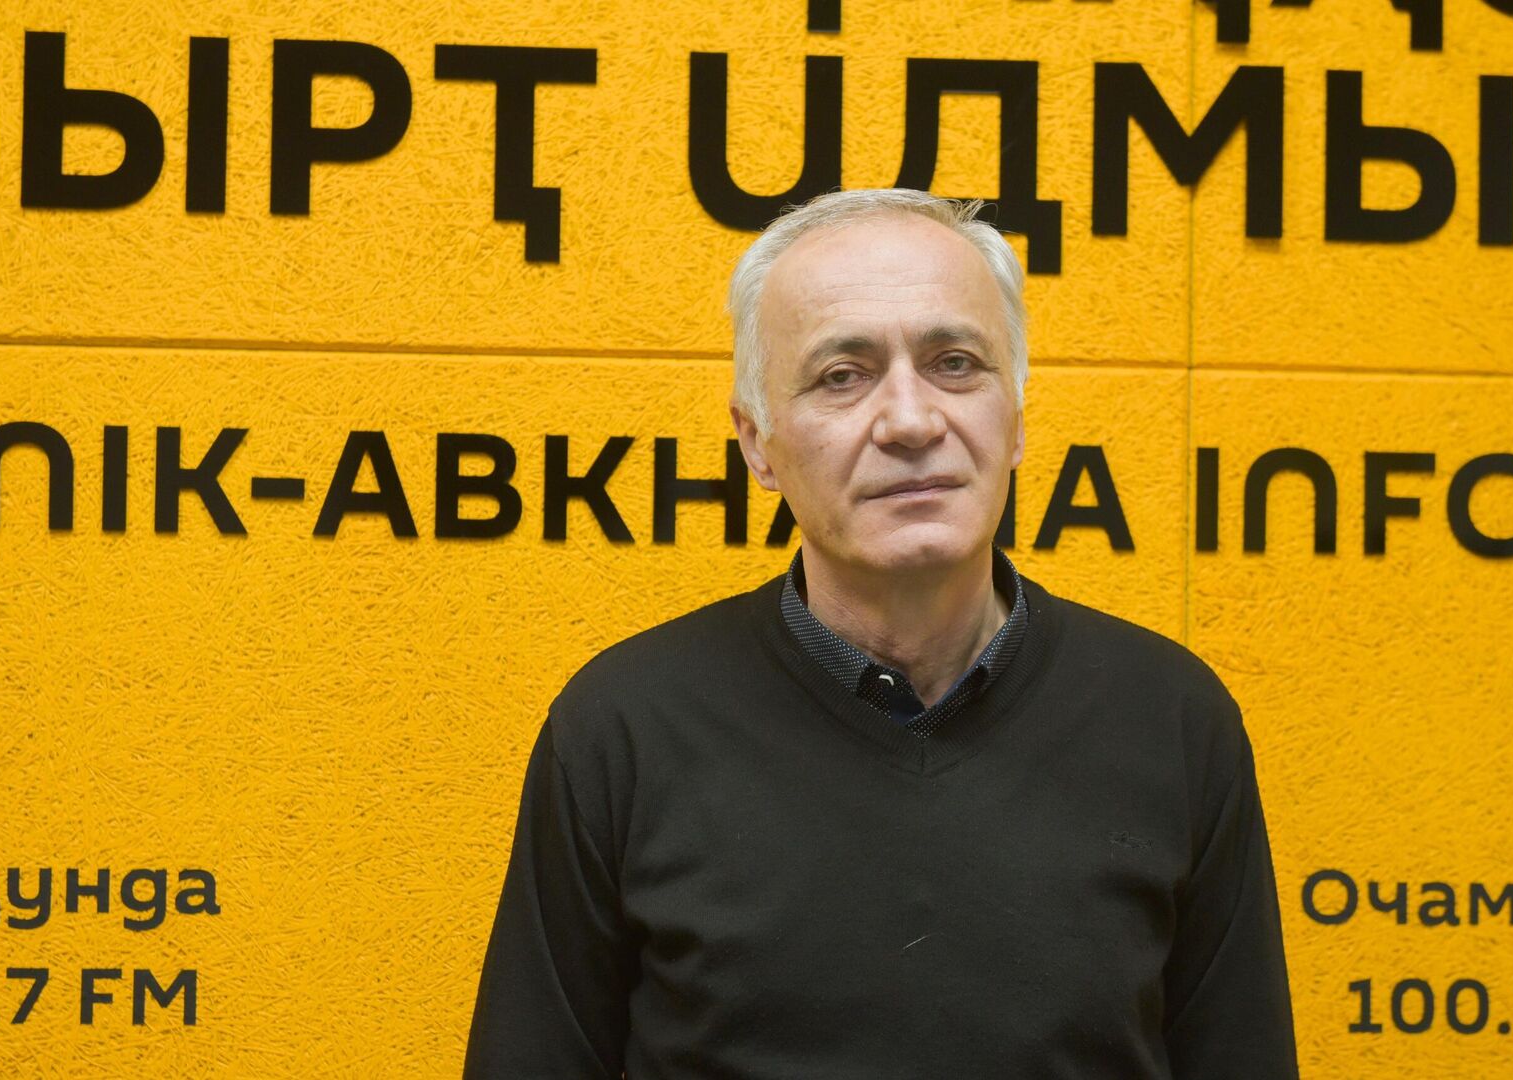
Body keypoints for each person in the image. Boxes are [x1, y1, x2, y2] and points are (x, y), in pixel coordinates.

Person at [462, 188, 1301, 1079]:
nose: (910, 421)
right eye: (842, 376)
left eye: (955, 364)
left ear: (1016, 416)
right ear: (757, 443)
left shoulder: (1170, 719)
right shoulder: (622, 730)